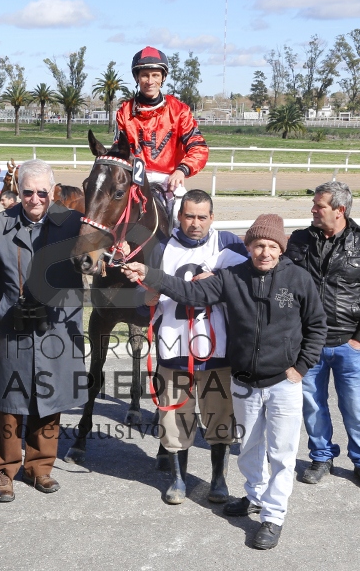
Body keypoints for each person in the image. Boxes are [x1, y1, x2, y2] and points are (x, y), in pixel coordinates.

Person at [121, 214, 327, 550]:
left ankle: (273, 517)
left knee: (281, 453)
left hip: (283, 382)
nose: (264, 252)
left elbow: (317, 326)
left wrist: (301, 367)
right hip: (245, 382)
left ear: (281, 249)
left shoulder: (298, 279)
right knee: (248, 448)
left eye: (271, 246)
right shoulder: (232, 277)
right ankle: (255, 496)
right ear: (249, 247)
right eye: (258, 245)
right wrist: (150, 273)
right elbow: (189, 292)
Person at [0, 159, 86, 503]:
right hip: (12, 325)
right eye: (27, 192)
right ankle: (4, 471)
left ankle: (39, 467)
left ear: (53, 191)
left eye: (42, 192)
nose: (35, 199)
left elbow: (102, 252)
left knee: (50, 398)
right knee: (9, 401)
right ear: (17, 191)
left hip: (58, 327)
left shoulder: (74, 223)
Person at [285, 181, 360, 492]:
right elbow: (283, 280)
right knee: (313, 407)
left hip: (348, 344)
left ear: (339, 210)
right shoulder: (299, 241)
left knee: (357, 409)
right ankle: (321, 458)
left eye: (319, 206)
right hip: (308, 345)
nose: (313, 210)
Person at [148, 189, 248, 505]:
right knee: (174, 419)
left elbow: (251, 282)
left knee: (221, 417)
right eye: (189, 216)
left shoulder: (228, 244)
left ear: (212, 218)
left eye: (202, 217)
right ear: (179, 216)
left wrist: (219, 276)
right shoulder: (161, 248)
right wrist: (145, 300)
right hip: (174, 350)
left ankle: (218, 480)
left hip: (218, 352)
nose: (195, 223)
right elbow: (142, 301)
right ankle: (178, 479)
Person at [115, 46, 209, 194]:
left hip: (170, 181)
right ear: (136, 77)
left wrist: (182, 170)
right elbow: (118, 151)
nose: (150, 81)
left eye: (155, 75)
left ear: (163, 77)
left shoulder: (179, 111)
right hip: (134, 180)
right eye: (145, 75)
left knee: (193, 208)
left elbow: (199, 148)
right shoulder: (124, 111)